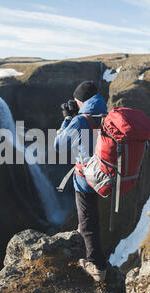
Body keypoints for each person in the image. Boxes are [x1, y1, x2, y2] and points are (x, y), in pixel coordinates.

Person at [54, 81, 108, 282]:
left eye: (77, 100)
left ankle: (97, 267)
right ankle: (86, 239)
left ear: (81, 100)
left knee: (88, 222)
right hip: (105, 175)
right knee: (90, 217)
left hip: (87, 180)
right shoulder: (106, 113)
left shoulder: (81, 120)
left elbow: (59, 146)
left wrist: (68, 119)